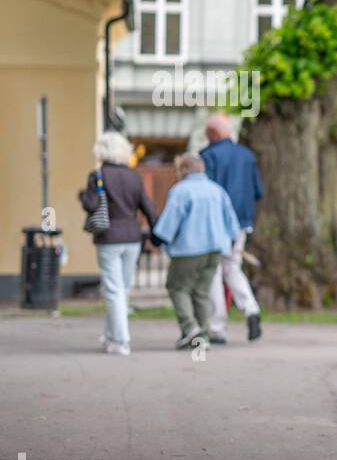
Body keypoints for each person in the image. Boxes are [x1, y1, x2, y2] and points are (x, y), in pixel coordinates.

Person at [152, 153, 242, 350]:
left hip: (189, 249)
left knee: (177, 287)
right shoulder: (216, 190)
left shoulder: (181, 191)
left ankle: (190, 327)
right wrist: (229, 242)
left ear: (183, 171)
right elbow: (232, 223)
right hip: (215, 249)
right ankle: (202, 336)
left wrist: (158, 238)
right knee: (201, 291)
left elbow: (170, 221)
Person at [80, 131, 156, 356]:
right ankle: (111, 336)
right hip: (132, 237)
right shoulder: (134, 176)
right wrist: (156, 233)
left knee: (113, 290)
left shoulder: (99, 175)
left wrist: (83, 195)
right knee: (121, 289)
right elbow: (148, 207)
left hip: (109, 237)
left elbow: (91, 204)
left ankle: (122, 340)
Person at [199, 114, 264, 343]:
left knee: (215, 272)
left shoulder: (207, 156)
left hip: (217, 223)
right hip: (242, 223)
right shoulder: (247, 155)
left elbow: (205, 193)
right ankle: (251, 308)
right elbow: (258, 191)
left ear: (213, 134)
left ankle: (218, 327)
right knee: (233, 267)